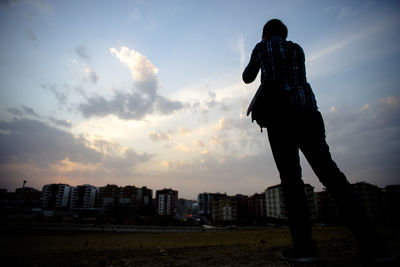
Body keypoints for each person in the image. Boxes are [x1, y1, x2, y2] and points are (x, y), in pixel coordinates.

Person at [242, 19, 392, 263]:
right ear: (285, 33)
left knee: (291, 182)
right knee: (331, 175)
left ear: (266, 33)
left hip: (280, 118)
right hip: (309, 114)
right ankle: (373, 244)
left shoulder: (263, 47)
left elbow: (247, 77)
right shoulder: (297, 49)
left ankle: (304, 248)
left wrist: (261, 49)